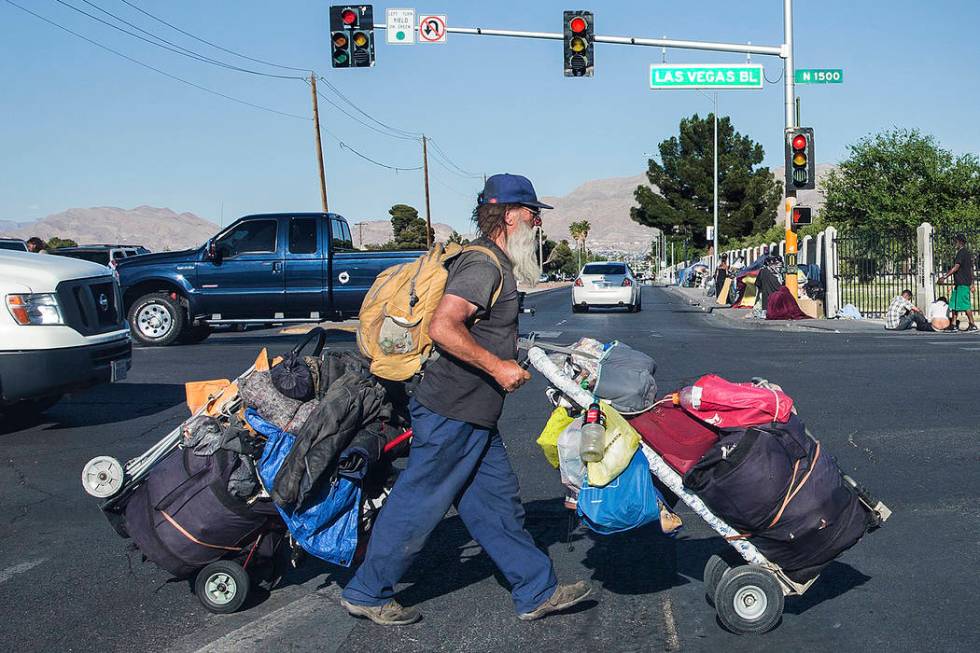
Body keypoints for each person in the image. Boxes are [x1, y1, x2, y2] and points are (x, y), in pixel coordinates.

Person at [340, 174, 592, 626]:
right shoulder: (483, 265)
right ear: (510, 216)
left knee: (495, 502)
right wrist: (498, 367)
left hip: (472, 411)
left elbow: (481, 331)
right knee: (418, 501)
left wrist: (513, 353)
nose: (537, 225)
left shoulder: (493, 262)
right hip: (451, 409)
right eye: (533, 215)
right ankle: (367, 590)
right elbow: (444, 326)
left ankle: (536, 590)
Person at [937, 234, 976, 332]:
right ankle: (953, 325)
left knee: (965, 305)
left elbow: (956, 267)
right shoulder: (967, 253)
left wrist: (944, 277)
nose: (955, 243)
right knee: (954, 304)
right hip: (959, 284)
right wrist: (972, 283)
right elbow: (971, 269)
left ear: (960, 242)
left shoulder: (961, 253)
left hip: (963, 283)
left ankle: (972, 324)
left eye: (955, 241)